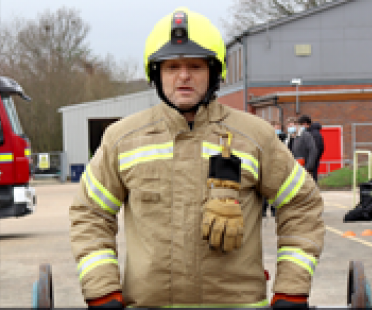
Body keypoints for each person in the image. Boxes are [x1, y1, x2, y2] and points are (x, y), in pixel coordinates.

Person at [69, 7, 324, 309]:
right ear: (157, 74)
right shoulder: (122, 140)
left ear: (214, 73)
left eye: (195, 66)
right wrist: (103, 290)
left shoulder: (255, 137)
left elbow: (301, 204)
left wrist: (291, 289)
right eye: (172, 67)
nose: (184, 76)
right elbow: (90, 214)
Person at [297, 115, 325, 182]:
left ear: (305, 124)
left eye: (300, 125)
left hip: (312, 161)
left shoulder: (314, 134)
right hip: (309, 160)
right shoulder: (310, 132)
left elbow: (318, 148)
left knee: (312, 178)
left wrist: (312, 161)